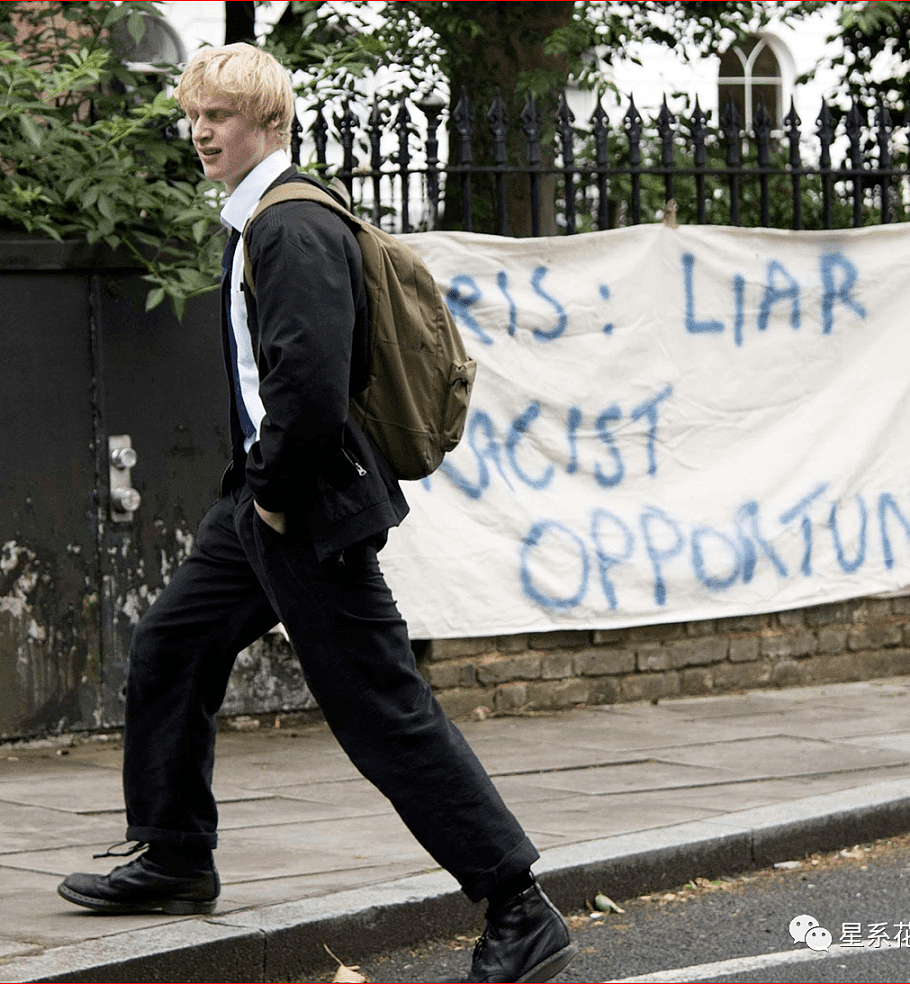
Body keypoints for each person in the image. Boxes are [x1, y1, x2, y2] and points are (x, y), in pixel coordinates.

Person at [58, 43, 576, 984]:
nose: (200, 131)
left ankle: (518, 905)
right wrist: (251, 500)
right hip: (259, 508)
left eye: (218, 115)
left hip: (304, 508)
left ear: (265, 122)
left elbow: (311, 395)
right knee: (171, 649)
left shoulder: (290, 228)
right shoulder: (261, 219)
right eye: (196, 115)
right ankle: (175, 855)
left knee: (383, 711)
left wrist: (272, 498)